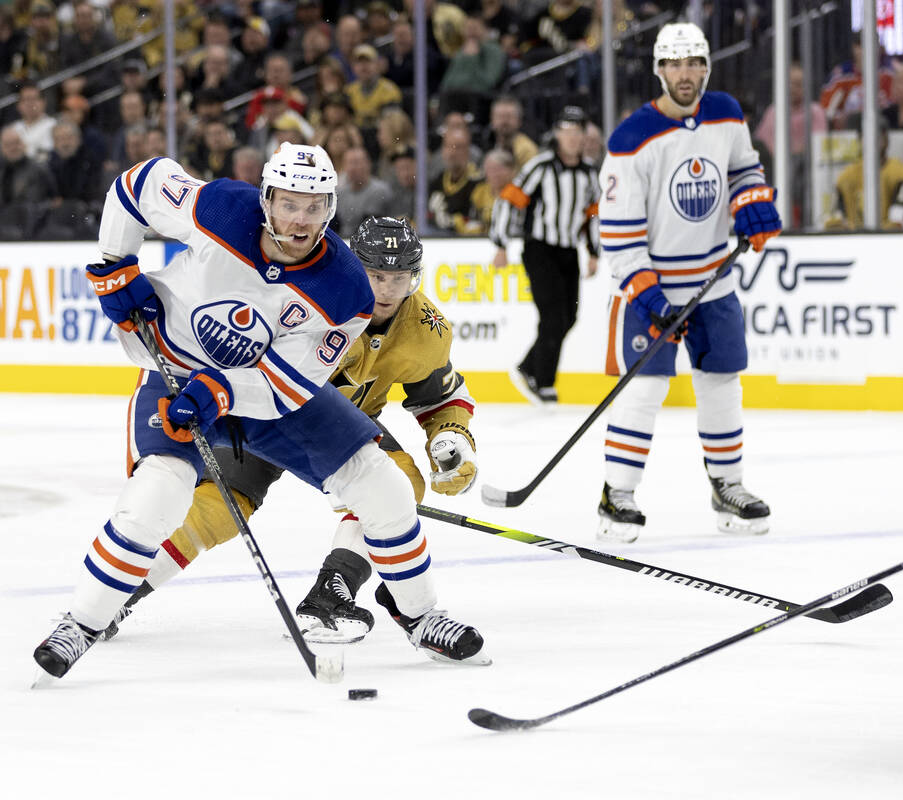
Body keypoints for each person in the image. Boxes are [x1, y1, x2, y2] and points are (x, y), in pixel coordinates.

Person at [32, 144, 488, 680]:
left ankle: (421, 614)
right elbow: (137, 184)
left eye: (314, 207)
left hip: (266, 394)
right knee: (158, 495)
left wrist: (219, 392)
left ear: (331, 208)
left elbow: (285, 386)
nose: (300, 220)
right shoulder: (221, 207)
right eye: (289, 203)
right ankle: (82, 623)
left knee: (381, 482)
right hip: (172, 369)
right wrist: (116, 264)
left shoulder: (345, 290)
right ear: (266, 197)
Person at [101, 216, 483, 653]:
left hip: (341, 426)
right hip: (259, 411)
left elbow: (439, 398)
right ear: (354, 267)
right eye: (376, 276)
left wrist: (450, 440)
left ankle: (331, 594)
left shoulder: (424, 329)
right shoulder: (312, 294)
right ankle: (119, 594)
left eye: (398, 278)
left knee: (400, 482)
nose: (387, 290)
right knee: (216, 510)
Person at [595, 22, 781, 543]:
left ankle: (729, 486)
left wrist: (752, 203)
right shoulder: (631, 139)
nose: (685, 73)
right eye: (674, 64)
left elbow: (745, 168)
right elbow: (618, 230)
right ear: (659, 70)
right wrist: (648, 293)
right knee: (644, 390)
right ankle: (618, 494)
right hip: (650, 288)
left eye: (694, 62)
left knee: (722, 384)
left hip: (713, 282)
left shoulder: (726, 113)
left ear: (706, 67)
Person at [490, 105, 600, 404]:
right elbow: (508, 201)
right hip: (539, 249)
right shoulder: (541, 167)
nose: (573, 138)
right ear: (557, 134)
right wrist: (500, 244)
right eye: (567, 132)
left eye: (578, 132)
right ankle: (544, 381)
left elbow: (593, 214)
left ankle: (529, 368)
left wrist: (593, 251)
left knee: (570, 316)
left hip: (568, 251)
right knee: (553, 316)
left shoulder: (590, 173)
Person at [826, 121, 903, 230]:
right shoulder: (846, 177)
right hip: (853, 243)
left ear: (886, 140)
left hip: (890, 243)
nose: (872, 141)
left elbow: (900, 221)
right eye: (866, 136)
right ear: (859, 140)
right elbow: (833, 221)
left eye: (878, 136)